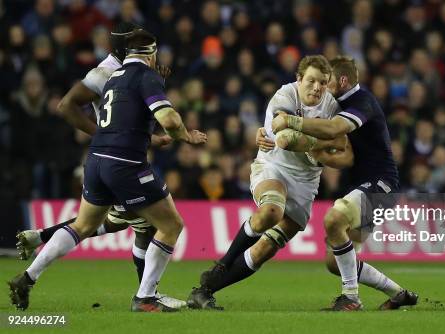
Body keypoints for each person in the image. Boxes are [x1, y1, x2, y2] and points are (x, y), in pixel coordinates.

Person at [9, 29, 207, 312]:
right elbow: (170, 119)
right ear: (151, 54)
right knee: (170, 225)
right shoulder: (146, 76)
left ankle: (29, 276)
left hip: (96, 159)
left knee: (84, 225)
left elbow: (125, 120)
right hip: (127, 164)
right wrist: (184, 135)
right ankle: (145, 297)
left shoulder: (111, 77)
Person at [187, 55, 348, 309]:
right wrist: (320, 140)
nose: (317, 87)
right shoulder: (285, 95)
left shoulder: (332, 106)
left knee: (263, 252)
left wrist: (313, 141)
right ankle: (224, 263)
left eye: (323, 83)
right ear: (299, 79)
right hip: (274, 167)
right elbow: (283, 133)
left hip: (306, 182)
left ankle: (204, 291)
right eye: (311, 81)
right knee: (272, 211)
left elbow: (342, 143)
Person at [272, 56, 418, 311]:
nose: (322, 88)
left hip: (381, 185)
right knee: (334, 261)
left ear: (342, 81)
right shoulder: (342, 104)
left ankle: (351, 298)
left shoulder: (362, 102)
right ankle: (399, 294)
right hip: (367, 188)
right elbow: (342, 152)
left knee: (332, 220)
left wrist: (290, 121)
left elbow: (332, 129)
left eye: (327, 83)